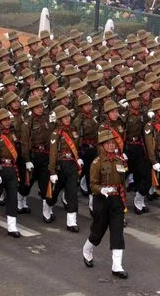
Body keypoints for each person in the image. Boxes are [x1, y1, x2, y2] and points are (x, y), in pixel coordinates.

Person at [82, 129, 128, 279]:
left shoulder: (120, 160)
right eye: (107, 143)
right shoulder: (96, 163)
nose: (111, 145)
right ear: (101, 145)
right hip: (102, 200)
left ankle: (117, 266)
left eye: (112, 142)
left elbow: (123, 181)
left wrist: (121, 198)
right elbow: (93, 184)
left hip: (116, 200)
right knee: (98, 231)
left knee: (117, 232)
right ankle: (87, 250)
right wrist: (102, 190)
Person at [47, 104, 82, 232]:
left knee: (72, 193)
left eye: (68, 116)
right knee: (53, 194)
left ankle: (71, 222)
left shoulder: (73, 129)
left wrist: (78, 158)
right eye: (64, 117)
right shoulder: (56, 133)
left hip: (71, 165)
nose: (67, 118)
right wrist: (52, 171)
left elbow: (76, 147)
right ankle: (48, 206)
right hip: (60, 166)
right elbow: (53, 153)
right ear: (59, 119)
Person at [0, 108, 22, 237]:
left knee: (12, 198)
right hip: (0, 169)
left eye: (8, 119)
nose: (7, 122)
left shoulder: (12, 134)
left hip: (11, 169)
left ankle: (12, 226)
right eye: (4, 120)